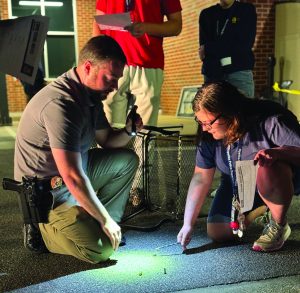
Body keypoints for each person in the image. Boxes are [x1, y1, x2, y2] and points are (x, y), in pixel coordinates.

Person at [14, 35, 143, 263]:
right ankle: (42, 231)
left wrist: (128, 131)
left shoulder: (91, 97)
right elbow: (72, 176)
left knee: (126, 160)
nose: (114, 87)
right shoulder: (62, 104)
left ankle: (104, 225)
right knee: (100, 250)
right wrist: (105, 220)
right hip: (47, 194)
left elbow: (107, 141)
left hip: (71, 175)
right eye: (111, 78)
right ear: (87, 67)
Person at [177, 81, 300, 252]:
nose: (204, 128)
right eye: (200, 121)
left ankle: (279, 224)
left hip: (278, 176)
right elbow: (201, 177)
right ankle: (260, 208)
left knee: (268, 164)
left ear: (228, 114)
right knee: (218, 231)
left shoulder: (271, 120)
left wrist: (279, 153)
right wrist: (187, 223)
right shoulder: (208, 135)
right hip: (239, 182)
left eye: (209, 122)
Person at [92, 0, 182, 126]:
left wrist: (146, 27)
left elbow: (176, 25)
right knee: (110, 127)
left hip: (148, 63)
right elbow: (99, 22)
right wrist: (98, 59)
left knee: (144, 130)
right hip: (112, 63)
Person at [199, 0, 256, 98]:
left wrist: (210, 48)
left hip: (238, 72)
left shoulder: (245, 10)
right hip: (212, 74)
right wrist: (229, 44)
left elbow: (245, 45)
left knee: (242, 111)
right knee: (212, 112)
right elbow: (203, 52)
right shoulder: (207, 14)